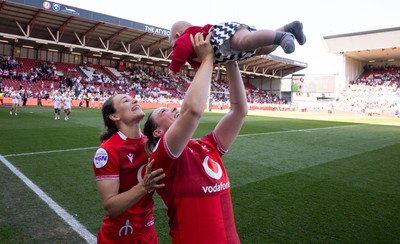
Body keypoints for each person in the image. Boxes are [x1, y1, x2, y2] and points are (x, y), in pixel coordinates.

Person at [144, 32, 247, 243]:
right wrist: (207, 58)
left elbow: (239, 111)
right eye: (163, 111)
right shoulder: (161, 157)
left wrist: (230, 61)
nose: (171, 107)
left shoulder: (207, 145)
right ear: (157, 133)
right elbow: (192, 111)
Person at [93, 93, 166, 243]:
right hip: (119, 237)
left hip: (148, 234)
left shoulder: (150, 144)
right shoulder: (108, 151)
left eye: (132, 98)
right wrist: (143, 187)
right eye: (125, 100)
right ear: (114, 116)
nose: (134, 100)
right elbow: (110, 207)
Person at [168, 20, 306, 75]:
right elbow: (206, 64)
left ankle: (283, 36)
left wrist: (174, 68)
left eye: (173, 45)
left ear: (177, 35)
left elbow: (180, 50)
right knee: (265, 48)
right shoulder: (193, 55)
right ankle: (288, 28)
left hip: (221, 37)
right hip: (229, 52)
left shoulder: (187, 37)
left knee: (246, 41)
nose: (174, 48)